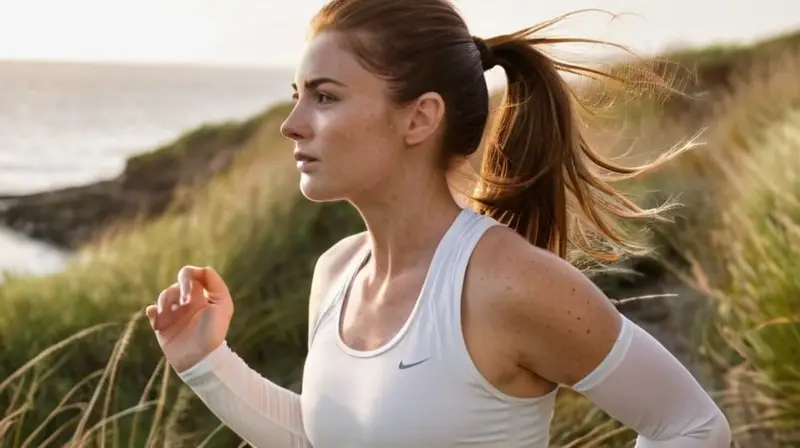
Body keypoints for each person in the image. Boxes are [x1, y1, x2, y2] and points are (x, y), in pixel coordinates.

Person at [145, 0, 732, 446]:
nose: (292, 123)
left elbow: (693, 426)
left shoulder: (507, 282)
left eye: (324, 97)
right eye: (297, 95)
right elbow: (332, 435)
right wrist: (206, 362)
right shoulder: (336, 273)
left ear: (420, 117)